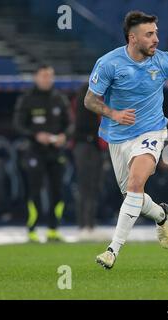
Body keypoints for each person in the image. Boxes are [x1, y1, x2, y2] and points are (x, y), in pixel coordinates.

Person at [84, 11, 168, 269]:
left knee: (135, 184)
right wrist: (114, 113)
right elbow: (89, 100)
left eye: (156, 32)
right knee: (132, 194)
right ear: (133, 38)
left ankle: (112, 250)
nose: (156, 38)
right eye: (150, 34)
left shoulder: (164, 61)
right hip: (117, 136)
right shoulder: (109, 63)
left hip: (152, 132)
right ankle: (160, 213)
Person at [13, 64, 70, 242]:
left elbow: (70, 124)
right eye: (44, 76)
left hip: (56, 152)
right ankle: (32, 230)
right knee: (34, 191)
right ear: (36, 77)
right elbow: (18, 125)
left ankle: (53, 229)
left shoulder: (59, 98)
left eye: (50, 76)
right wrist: (36, 135)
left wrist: (64, 135)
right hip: (34, 152)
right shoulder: (27, 99)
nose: (47, 80)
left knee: (58, 191)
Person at [72, 83, 107, 240]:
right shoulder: (85, 97)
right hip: (86, 146)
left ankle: (89, 225)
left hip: (94, 147)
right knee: (86, 186)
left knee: (93, 186)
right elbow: (82, 124)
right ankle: (84, 225)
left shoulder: (97, 95)